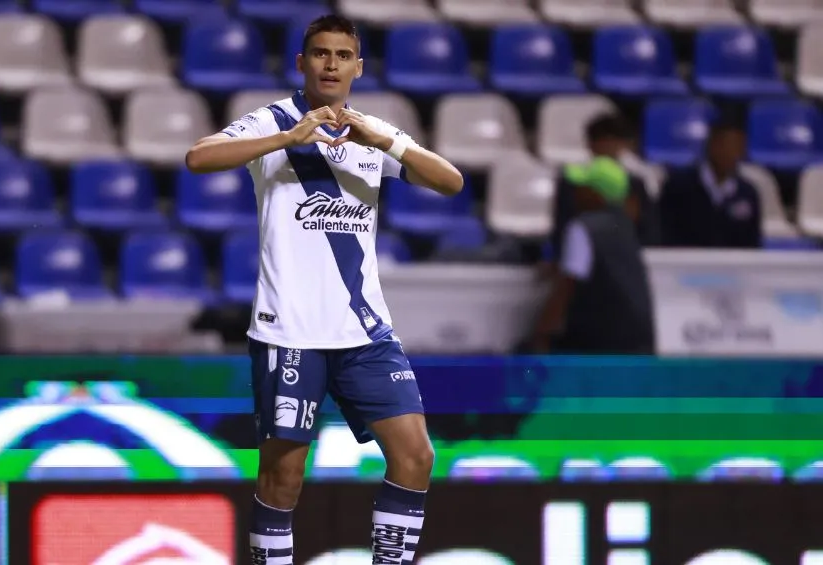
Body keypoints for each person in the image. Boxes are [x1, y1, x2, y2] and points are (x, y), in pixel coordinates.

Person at [185, 14, 464, 565]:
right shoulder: (273, 124)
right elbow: (198, 157)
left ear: (358, 66)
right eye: (320, 53)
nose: (330, 64)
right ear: (302, 62)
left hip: (364, 332)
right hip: (290, 331)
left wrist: (389, 142)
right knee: (283, 476)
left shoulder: (372, 133)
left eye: (342, 55)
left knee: (415, 456)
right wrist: (288, 139)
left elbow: (451, 181)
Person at [531, 157, 655, 355]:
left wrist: (539, 336)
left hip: (599, 347)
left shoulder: (583, 227)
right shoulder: (625, 227)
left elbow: (565, 289)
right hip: (638, 345)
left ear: (597, 195)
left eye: (583, 187)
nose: (576, 193)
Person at [550, 114, 659, 259]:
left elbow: (647, 229)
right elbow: (563, 227)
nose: (608, 147)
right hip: (586, 255)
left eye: (613, 142)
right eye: (603, 142)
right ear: (591, 144)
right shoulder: (572, 183)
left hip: (626, 256)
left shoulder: (635, 184)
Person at [658, 116, 762, 249]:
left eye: (737, 147)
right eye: (725, 145)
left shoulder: (747, 193)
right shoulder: (677, 186)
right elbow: (664, 236)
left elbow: (752, 246)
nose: (731, 153)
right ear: (711, 145)